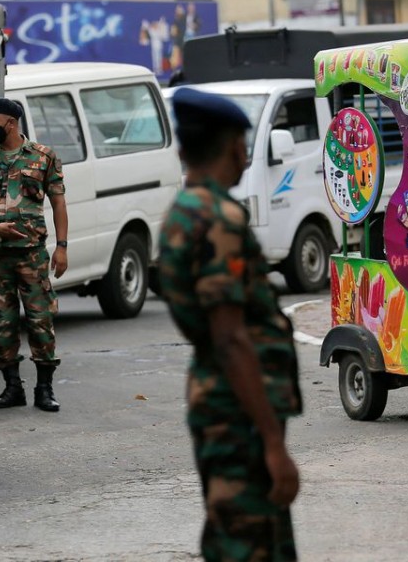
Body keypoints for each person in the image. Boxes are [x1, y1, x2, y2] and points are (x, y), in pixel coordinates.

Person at [158, 87, 303, 561]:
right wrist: (272, 443)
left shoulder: (182, 212)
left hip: (219, 401)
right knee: (248, 545)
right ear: (236, 147)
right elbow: (230, 337)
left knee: (237, 538)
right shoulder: (218, 217)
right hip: (237, 410)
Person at [0, 98, 68, 412]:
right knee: (0, 322)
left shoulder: (43, 157)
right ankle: (12, 387)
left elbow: (58, 203)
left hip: (32, 254)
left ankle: (45, 389)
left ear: (11, 123)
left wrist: (62, 247)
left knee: (40, 320)